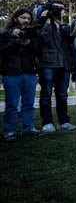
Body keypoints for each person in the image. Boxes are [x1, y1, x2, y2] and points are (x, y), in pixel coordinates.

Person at [36, 0, 76, 132]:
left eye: (62, 9)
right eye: (59, 9)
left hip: (63, 65)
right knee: (46, 94)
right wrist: (47, 21)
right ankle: (47, 122)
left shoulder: (64, 26)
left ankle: (63, 121)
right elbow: (44, 39)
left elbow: (71, 42)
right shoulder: (41, 24)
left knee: (62, 95)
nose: (62, 11)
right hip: (47, 63)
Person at [0, 9, 41, 139]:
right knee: (12, 104)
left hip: (29, 73)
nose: (26, 20)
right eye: (23, 17)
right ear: (16, 18)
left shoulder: (32, 34)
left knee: (29, 103)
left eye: (28, 18)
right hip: (11, 73)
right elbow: (2, 52)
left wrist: (29, 44)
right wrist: (14, 41)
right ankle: (9, 130)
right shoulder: (6, 34)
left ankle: (28, 128)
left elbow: (38, 53)